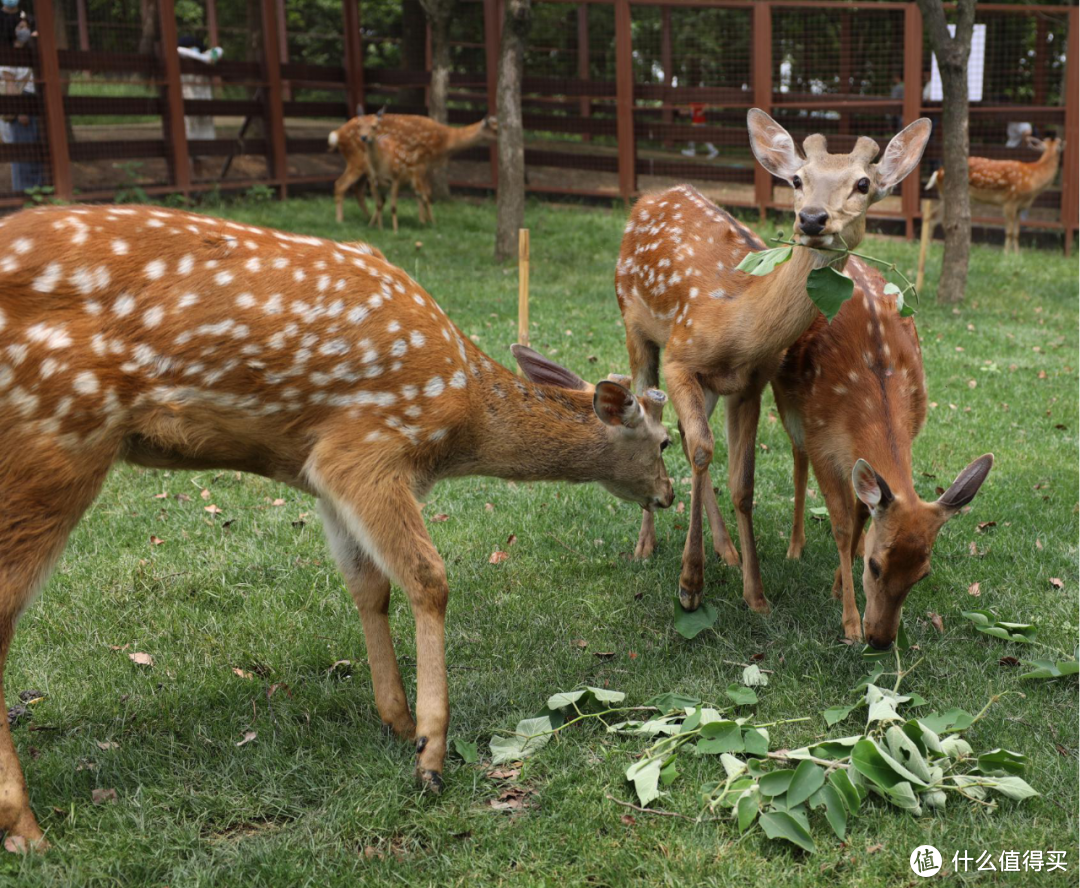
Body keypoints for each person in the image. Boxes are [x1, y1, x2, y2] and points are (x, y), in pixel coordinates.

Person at [0, 18, 41, 193]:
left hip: (34, 104)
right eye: (20, 27)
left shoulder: (29, 52)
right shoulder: (9, 55)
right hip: (21, 105)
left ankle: (38, 194)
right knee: (23, 157)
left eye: (27, 27)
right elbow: (10, 85)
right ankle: (23, 195)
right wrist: (18, 111)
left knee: (36, 155)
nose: (24, 31)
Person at [177, 35, 223, 177]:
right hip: (187, 109)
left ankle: (199, 180)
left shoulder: (205, 61)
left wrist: (201, 57)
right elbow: (178, 50)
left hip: (203, 110)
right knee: (187, 144)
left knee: (201, 149)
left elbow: (219, 51)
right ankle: (188, 179)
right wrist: (198, 56)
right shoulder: (181, 61)